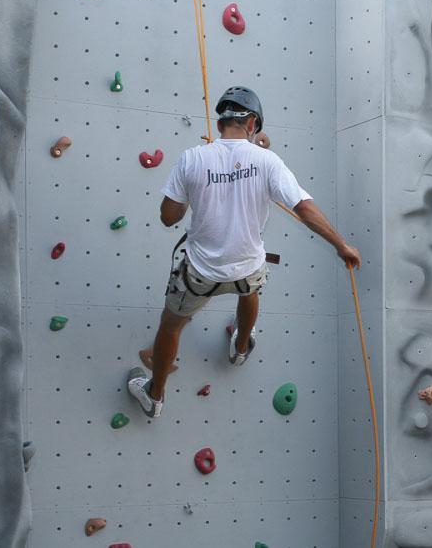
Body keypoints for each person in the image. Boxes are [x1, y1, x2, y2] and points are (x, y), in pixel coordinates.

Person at [126, 86, 361, 418]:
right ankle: (239, 347)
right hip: (248, 267)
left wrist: (196, 190)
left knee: (171, 325)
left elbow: (169, 217)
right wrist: (342, 246)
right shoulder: (267, 162)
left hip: (200, 273)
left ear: (222, 121)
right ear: (251, 123)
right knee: (249, 292)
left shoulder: (193, 158)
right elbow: (304, 208)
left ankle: (155, 395)